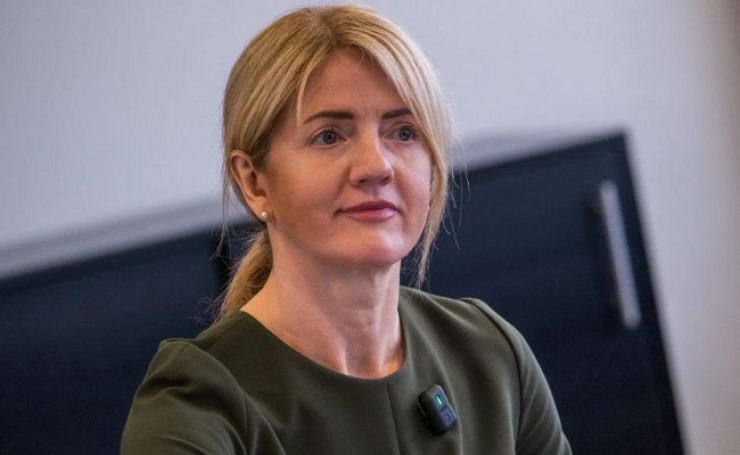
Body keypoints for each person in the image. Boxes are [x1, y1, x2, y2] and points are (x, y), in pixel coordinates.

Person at [121, 5, 571, 454]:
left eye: (403, 132)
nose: (376, 166)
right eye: (329, 136)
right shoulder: (196, 405)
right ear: (254, 182)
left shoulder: (489, 352)